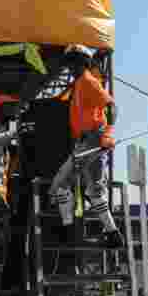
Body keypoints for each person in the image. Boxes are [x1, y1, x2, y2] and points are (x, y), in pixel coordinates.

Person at [49, 46, 124, 249]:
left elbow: (111, 106)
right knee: (84, 189)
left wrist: (106, 134)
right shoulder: (80, 84)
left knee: (63, 184)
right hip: (86, 142)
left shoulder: (89, 81)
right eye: (70, 63)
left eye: (74, 62)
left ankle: (70, 230)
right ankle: (110, 233)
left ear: (83, 63)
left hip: (93, 139)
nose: (71, 67)